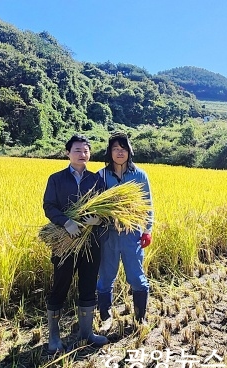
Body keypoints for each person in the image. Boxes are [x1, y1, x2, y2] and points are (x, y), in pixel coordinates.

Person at [42, 134, 108, 354]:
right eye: (78, 150)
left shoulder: (96, 180)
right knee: (61, 284)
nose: (83, 154)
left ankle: (86, 332)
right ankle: (53, 336)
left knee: (89, 284)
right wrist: (66, 222)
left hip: (91, 242)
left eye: (86, 150)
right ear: (68, 153)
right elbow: (49, 206)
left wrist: (99, 220)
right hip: (65, 241)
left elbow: (106, 208)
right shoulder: (56, 179)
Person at [96, 132, 153, 327]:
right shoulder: (101, 175)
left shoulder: (139, 175)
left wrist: (147, 230)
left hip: (132, 234)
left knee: (136, 277)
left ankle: (140, 318)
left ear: (129, 151)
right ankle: (105, 317)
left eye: (123, 149)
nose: (120, 152)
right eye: (115, 149)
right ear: (109, 152)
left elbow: (147, 204)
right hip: (107, 234)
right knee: (105, 278)